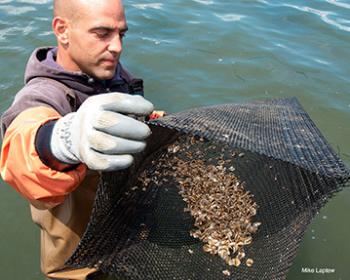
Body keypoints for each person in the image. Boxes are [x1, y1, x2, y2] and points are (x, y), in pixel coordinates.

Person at [0, 0, 163, 279]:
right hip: (82, 263)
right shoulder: (44, 94)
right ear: (62, 30)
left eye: (121, 34)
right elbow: (22, 147)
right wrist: (65, 138)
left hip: (124, 234)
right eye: (102, 34)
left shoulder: (112, 73)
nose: (117, 47)